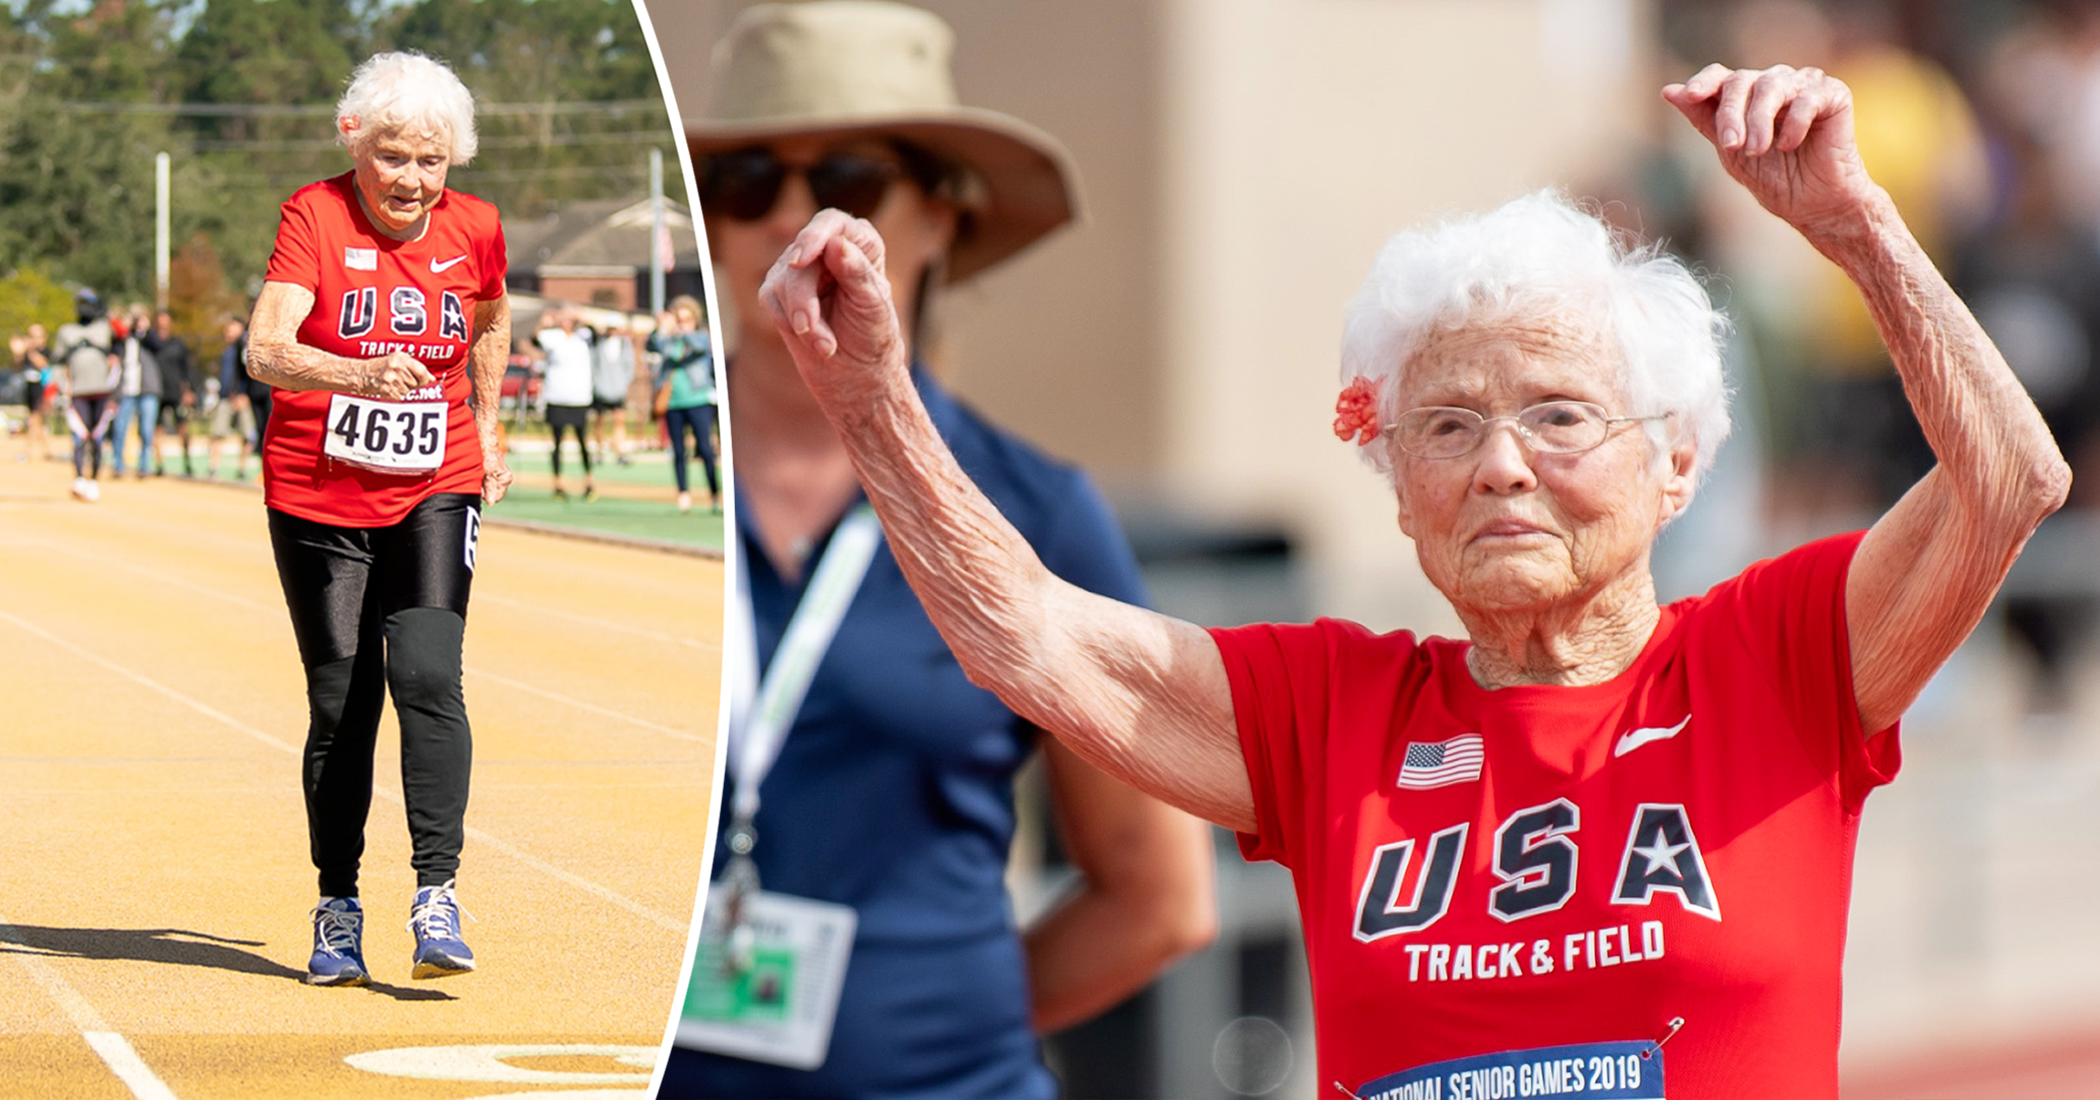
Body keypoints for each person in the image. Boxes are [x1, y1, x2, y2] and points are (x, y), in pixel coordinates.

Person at [756, 63, 2070, 1098]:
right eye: (1445, 427)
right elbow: (1028, 640)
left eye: (1559, 417)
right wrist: (869, 399)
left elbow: (2009, 477)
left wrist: (1856, 227)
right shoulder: (1335, 712)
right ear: (1396, 487)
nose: (1499, 465)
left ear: (1676, 464)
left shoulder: (1773, 657)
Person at [659, 4, 1214, 1097]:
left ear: (941, 220)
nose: (788, 218)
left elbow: (1159, 896)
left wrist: (938, 1028)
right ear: (711, 220)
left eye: (849, 180)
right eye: (749, 177)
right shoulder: (607, 481)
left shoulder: (1034, 513)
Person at [244, 49, 512, 988]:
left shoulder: (476, 225)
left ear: (455, 163)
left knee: (432, 673)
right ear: (356, 143)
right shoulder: (312, 215)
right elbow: (265, 349)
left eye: (431, 162)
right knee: (343, 700)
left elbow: (487, 320)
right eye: (394, 156)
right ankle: (338, 903)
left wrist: (489, 426)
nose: (411, 179)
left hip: (438, 476)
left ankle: (436, 893)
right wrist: (356, 372)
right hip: (319, 489)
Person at [649, 295, 718, 513]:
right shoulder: (668, 341)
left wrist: (680, 332)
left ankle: (714, 494)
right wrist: (660, 327)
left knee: (705, 449)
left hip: (698, 399)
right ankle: (683, 493)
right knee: (679, 451)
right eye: (678, 319)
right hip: (673, 401)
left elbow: (698, 348)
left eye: (685, 319)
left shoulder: (701, 336)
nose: (681, 324)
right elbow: (651, 345)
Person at [52, 288, 119, 502]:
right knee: (80, 435)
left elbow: (123, 341)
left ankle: (94, 480)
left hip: (101, 391)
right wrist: (60, 387)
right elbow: (57, 363)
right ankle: (80, 477)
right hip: (78, 392)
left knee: (98, 436)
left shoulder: (104, 328)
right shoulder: (67, 332)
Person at [534, 302, 596, 501]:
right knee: (557, 441)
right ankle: (558, 482)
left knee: (582, 441)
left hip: (579, 396)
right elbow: (535, 339)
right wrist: (544, 322)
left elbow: (597, 333)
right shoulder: (552, 337)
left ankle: (589, 480)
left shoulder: (583, 335)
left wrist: (581, 317)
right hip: (557, 395)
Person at [110, 303, 164, 480]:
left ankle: (143, 466)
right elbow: (112, 348)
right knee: (120, 429)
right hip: (126, 390)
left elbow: (159, 346)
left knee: (146, 430)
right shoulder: (122, 341)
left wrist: (144, 329)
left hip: (147, 390)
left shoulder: (148, 339)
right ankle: (118, 465)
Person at [143, 309, 199, 477]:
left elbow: (187, 369)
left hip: (176, 393)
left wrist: (190, 390)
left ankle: (187, 462)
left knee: (182, 427)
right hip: (157, 391)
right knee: (156, 429)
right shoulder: (150, 344)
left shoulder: (178, 344)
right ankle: (159, 464)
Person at [207, 317, 258, 480]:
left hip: (242, 398)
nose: (227, 332)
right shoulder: (226, 351)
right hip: (225, 398)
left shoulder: (246, 348)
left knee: (247, 434)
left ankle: (242, 468)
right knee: (217, 433)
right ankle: (214, 468)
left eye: (231, 328)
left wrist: (243, 393)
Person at [590, 315, 637, 468]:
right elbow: (594, 365)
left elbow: (629, 366)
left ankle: (620, 452)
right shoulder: (598, 343)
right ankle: (598, 451)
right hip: (601, 389)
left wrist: (624, 385)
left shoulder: (625, 344)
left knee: (619, 421)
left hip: (618, 390)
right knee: (599, 422)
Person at [14, 323, 50, 463]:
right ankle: (47, 450)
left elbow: (44, 365)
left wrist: (31, 352)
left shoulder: (43, 350)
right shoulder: (27, 353)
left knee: (34, 419)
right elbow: (17, 367)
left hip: (40, 387)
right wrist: (19, 353)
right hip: (28, 387)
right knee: (36, 420)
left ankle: (27, 450)